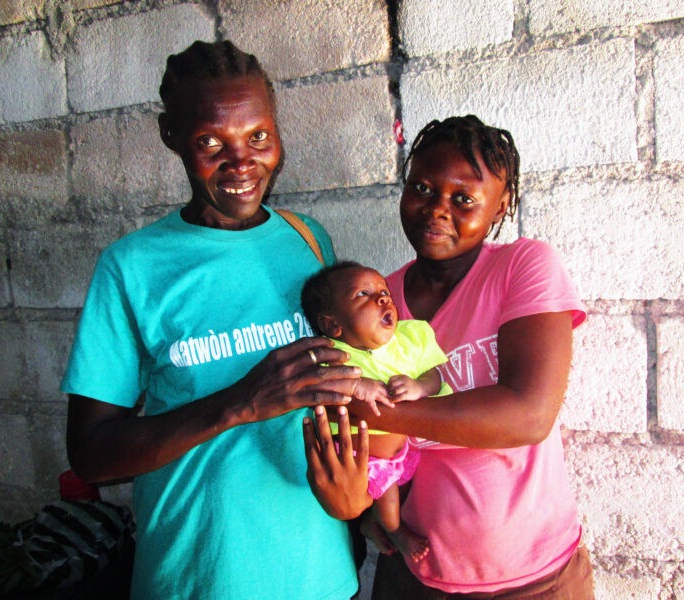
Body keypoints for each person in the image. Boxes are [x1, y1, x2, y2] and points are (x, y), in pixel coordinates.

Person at [61, 40, 370, 600]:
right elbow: (91, 455)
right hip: (198, 576)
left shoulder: (308, 241)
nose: (242, 162)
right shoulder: (132, 267)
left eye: (258, 137)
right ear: (171, 137)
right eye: (211, 141)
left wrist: (359, 509)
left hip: (320, 574)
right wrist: (239, 404)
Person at [304, 115, 595, 599]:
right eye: (421, 187)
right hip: (416, 572)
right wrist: (368, 509)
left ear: (502, 205)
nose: (436, 210)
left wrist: (374, 407)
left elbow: (527, 415)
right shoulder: (374, 300)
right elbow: (347, 439)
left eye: (463, 199)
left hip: (535, 579)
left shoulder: (523, 267)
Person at [301, 261, 452, 563]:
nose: (383, 298)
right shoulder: (332, 353)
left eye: (384, 291)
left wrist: (419, 387)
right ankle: (395, 530)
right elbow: (318, 383)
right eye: (364, 294)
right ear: (333, 325)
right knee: (388, 493)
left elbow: (436, 376)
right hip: (361, 461)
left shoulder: (411, 338)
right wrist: (357, 387)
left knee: (399, 487)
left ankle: (371, 522)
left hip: (401, 449)